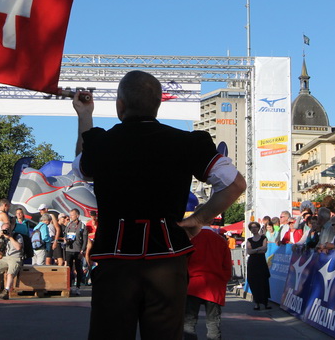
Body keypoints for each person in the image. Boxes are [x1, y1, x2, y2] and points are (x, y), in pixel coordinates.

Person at [72, 71, 246, 339]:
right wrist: (200, 219)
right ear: (158, 105)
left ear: (120, 105)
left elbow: (83, 168)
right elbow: (235, 184)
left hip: (115, 260)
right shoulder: (187, 142)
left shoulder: (101, 144)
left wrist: (85, 115)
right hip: (167, 259)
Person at [184, 224, 232, 340]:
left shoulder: (192, 241)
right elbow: (227, 267)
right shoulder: (221, 241)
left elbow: (184, 264)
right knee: (213, 322)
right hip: (214, 286)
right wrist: (222, 281)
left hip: (194, 285)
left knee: (189, 323)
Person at [0, 222, 24, 300]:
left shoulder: (17, 236)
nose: (5, 231)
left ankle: (6, 291)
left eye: (7, 229)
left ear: (11, 229)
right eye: (3, 230)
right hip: (6, 257)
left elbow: (18, 247)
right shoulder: (2, 237)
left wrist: (10, 237)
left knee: (10, 273)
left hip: (16, 257)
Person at [246, 221, 271, 310]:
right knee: (253, 282)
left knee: (263, 281)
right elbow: (249, 251)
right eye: (252, 227)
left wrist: (254, 250)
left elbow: (264, 249)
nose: (254, 229)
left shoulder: (263, 238)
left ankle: (266, 302)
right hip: (252, 263)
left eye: (255, 227)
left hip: (261, 262)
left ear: (258, 228)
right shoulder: (249, 240)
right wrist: (258, 249)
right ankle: (256, 303)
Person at [64, 208, 88, 296]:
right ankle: (69, 287)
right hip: (68, 249)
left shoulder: (82, 226)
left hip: (78, 250)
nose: (71, 216)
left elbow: (85, 240)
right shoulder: (69, 224)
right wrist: (66, 240)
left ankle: (78, 287)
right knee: (68, 269)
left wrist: (82, 250)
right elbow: (65, 235)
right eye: (70, 215)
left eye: (72, 215)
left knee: (78, 268)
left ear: (77, 215)